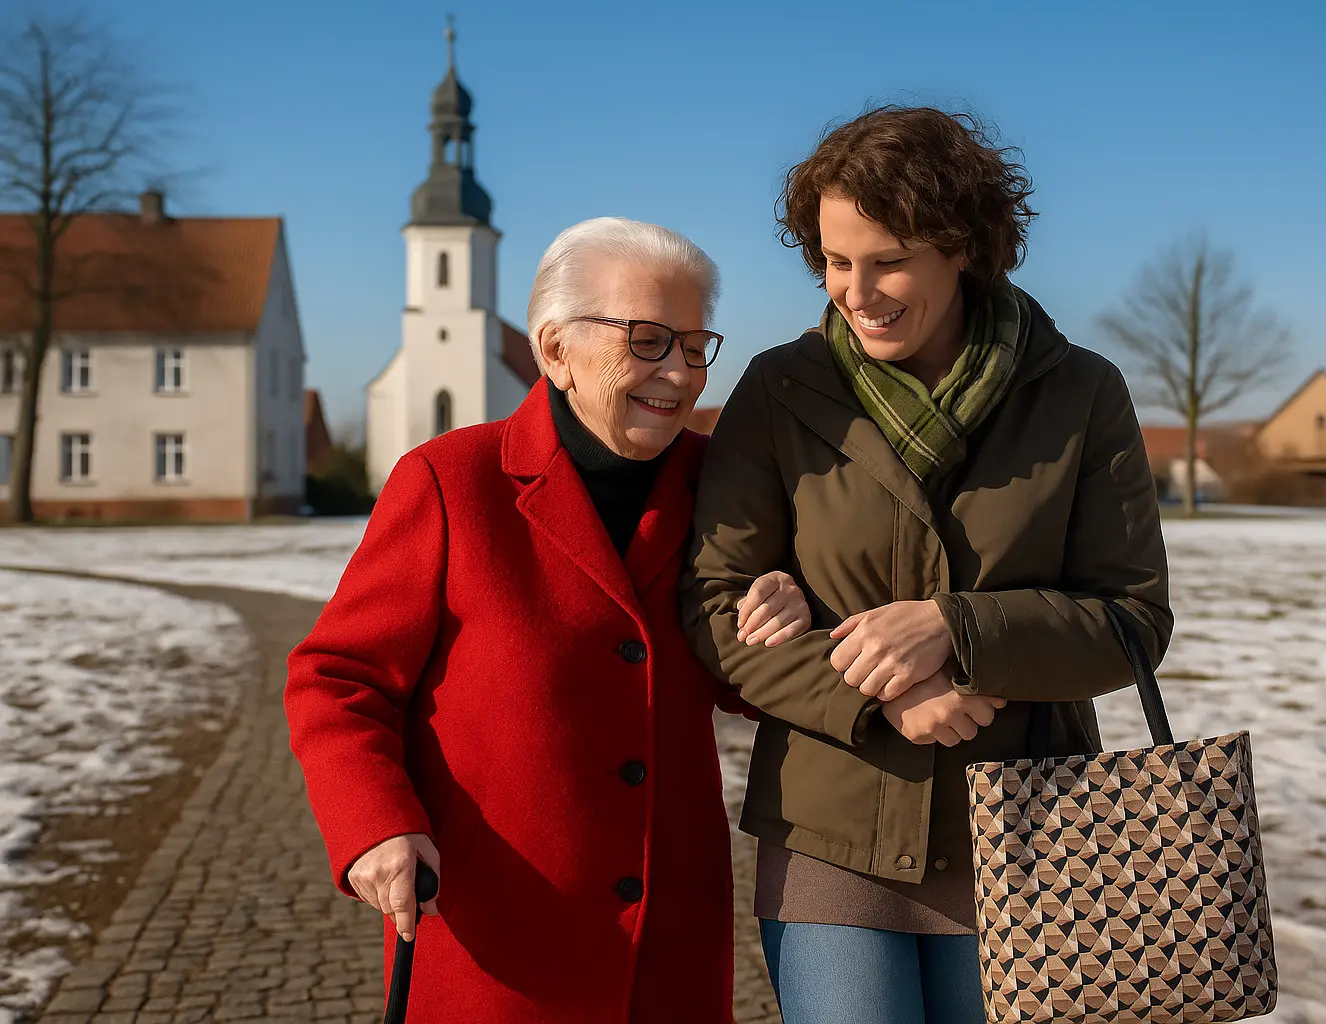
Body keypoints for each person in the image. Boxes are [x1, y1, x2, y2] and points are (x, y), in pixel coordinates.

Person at [683, 107, 1174, 1023]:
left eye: (888, 259)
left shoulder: (1081, 394)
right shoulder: (781, 389)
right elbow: (714, 605)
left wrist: (955, 629)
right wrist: (882, 695)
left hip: (1033, 832)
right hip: (831, 826)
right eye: (835, 261)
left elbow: (1133, 622)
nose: (855, 291)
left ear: (963, 249)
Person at [285, 217, 811, 1023]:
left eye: (695, 345)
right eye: (646, 340)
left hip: (669, 943)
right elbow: (337, 679)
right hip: (499, 945)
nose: (678, 374)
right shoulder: (451, 482)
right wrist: (374, 825)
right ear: (556, 349)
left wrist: (784, 618)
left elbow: (743, 682)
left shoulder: (722, 485)